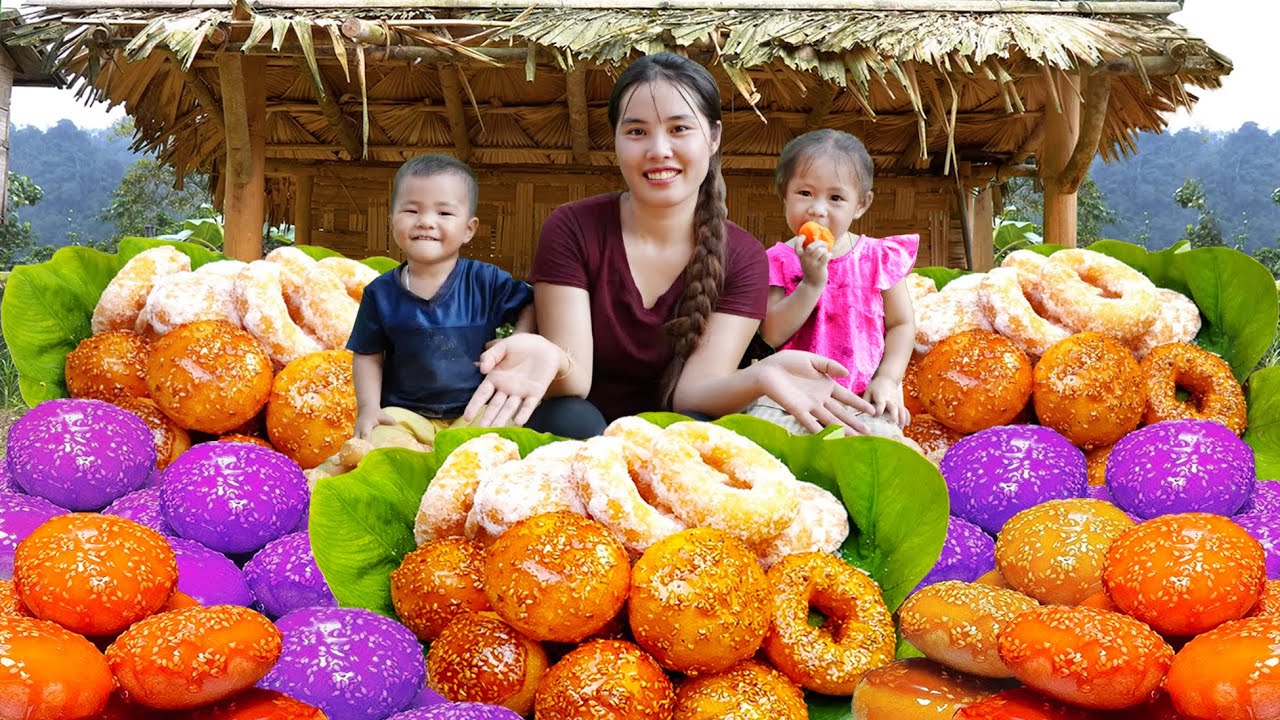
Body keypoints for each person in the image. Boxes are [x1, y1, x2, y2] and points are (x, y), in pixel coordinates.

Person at [462, 52, 878, 438]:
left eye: (679, 129)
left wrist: (762, 374)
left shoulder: (744, 257)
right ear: (617, 141)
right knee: (574, 416)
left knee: (691, 429)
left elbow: (692, 396)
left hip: (673, 449)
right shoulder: (572, 227)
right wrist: (546, 354)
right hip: (576, 436)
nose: (659, 150)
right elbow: (578, 378)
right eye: (637, 131)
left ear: (713, 137)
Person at [348, 153, 534, 439]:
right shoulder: (380, 293)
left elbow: (530, 304)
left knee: (505, 427)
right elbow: (367, 355)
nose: (425, 221)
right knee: (381, 438)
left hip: (475, 410)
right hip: (406, 414)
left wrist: (518, 341)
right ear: (392, 220)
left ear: (469, 229)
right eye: (411, 211)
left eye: (444, 213)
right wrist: (369, 408)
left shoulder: (486, 281)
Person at [748, 129, 918, 437]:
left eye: (836, 198)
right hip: (788, 399)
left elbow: (902, 324)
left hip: (859, 399)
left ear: (861, 204)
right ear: (785, 194)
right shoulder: (777, 260)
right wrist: (811, 284)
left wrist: (889, 380)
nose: (817, 209)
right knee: (760, 442)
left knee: (882, 445)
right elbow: (770, 334)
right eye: (805, 194)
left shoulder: (878, 257)